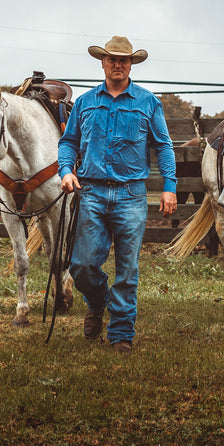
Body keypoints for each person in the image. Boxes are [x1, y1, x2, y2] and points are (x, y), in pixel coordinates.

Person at [59, 35, 178, 354]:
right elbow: (68, 142)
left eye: (123, 60)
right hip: (92, 193)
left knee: (127, 267)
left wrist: (169, 186)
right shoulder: (85, 102)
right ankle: (97, 302)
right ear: (102, 62)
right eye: (112, 59)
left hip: (131, 195)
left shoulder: (147, 102)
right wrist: (66, 170)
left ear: (131, 64)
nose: (117, 64)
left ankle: (121, 333)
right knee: (81, 266)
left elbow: (163, 145)